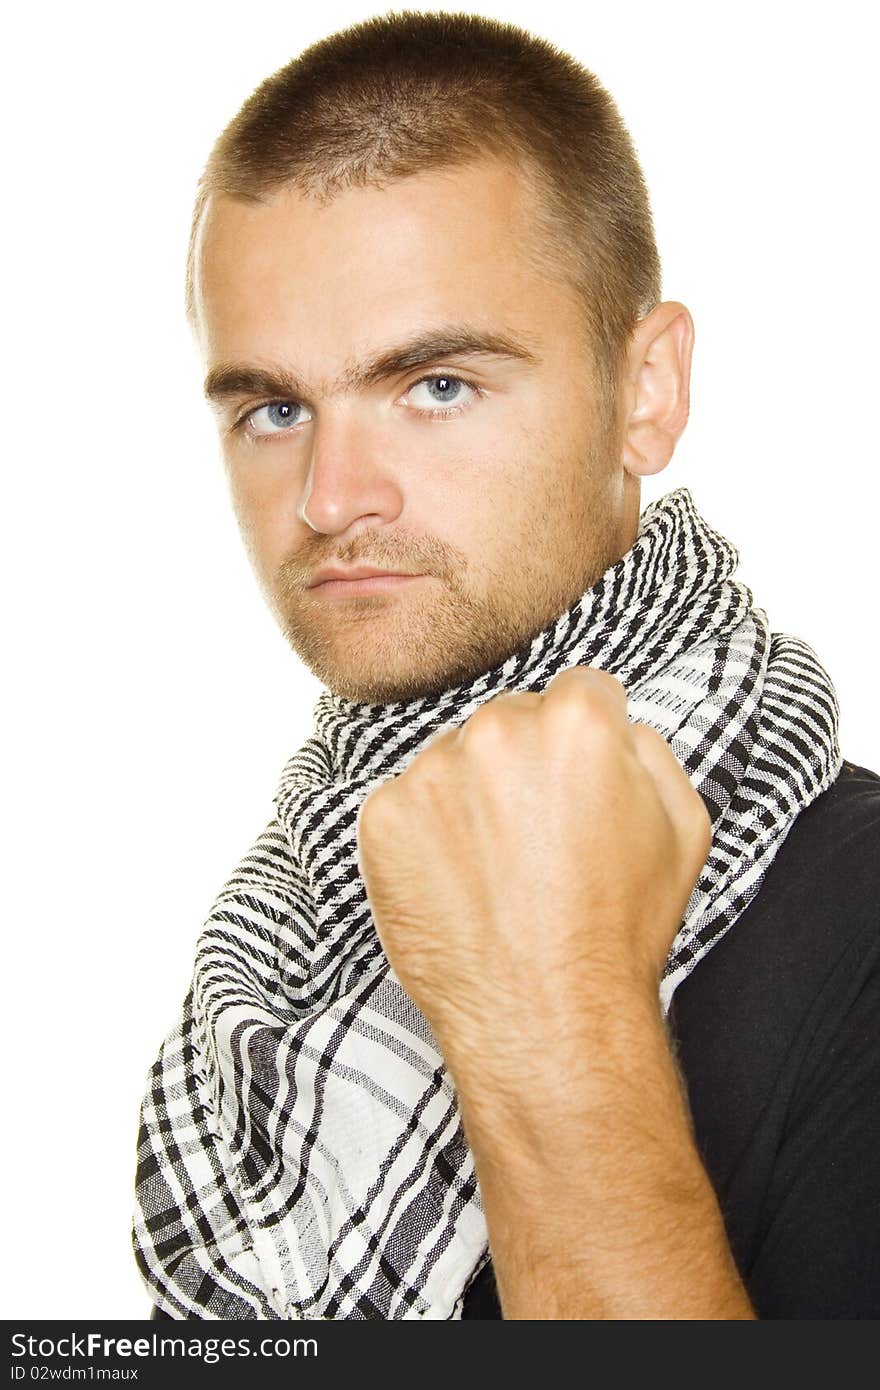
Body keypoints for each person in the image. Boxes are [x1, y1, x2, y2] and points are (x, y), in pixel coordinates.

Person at [133, 11, 880, 1320]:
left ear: (645, 390)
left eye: (435, 386)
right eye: (275, 407)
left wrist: (559, 1022)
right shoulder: (272, 963)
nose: (327, 495)